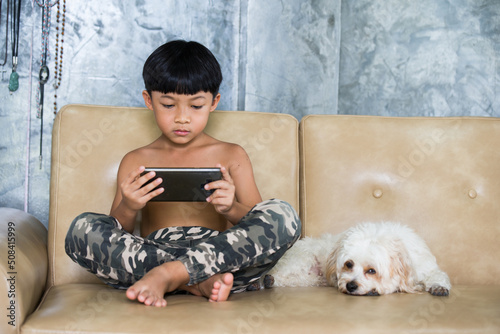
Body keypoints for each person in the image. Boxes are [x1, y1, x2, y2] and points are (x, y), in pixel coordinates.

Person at [64, 40, 301, 307]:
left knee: (284, 215)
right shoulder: (135, 160)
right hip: (153, 255)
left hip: (219, 255)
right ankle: (196, 281)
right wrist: (129, 206)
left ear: (214, 102)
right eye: (168, 105)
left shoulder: (232, 155)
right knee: (81, 229)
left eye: (195, 106)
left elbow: (259, 227)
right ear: (148, 101)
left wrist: (231, 208)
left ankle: (170, 275)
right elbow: (120, 231)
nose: (182, 118)